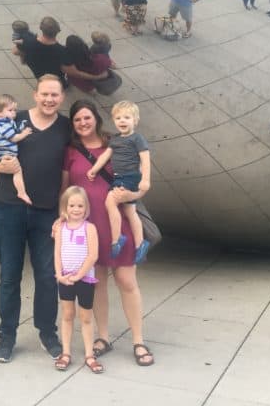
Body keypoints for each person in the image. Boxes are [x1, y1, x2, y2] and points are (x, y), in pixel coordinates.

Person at [62, 99, 154, 367]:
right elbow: (66, 189)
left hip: (118, 224)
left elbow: (140, 178)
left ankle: (138, 340)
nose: (83, 123)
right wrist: (61, 219)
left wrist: (135, 193)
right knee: (97, 283)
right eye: (77, 119)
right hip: (88, 228)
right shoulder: (70, 151)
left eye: (87, 117)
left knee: (126, 281)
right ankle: (103, 337)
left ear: (96, 119)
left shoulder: (117, 141)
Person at [0, 74, 69, 363]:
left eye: (55, 95)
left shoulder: (65, 126)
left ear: (62, 98)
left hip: (47, 212)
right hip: (10, 208)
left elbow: (69, 169)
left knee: (47, 276)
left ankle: (47, 331)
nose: (49, 99)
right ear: (35, 94)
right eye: (44, 94)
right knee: (9, 276)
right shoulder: (14, 117)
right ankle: (6, 335)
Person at [86, 101, 151, 264]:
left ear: (135, 120)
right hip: (119, 177)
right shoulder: (115, 139)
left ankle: (117, 239)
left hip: (129, 177)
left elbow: (145, 159)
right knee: (130, 211)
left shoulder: (137, 138)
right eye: (118, 118)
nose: (122, 121)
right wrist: (94, 169)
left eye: (127, 117)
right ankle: (140, 243)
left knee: (110, 202)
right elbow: (105, 156)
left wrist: (145, 179)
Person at [53, 186, 100, 373]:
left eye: (80, 205)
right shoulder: (60, 228)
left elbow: (93, 255)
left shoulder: (89, 228)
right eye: (72, 205)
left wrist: (79, 275)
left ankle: (89, 354)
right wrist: (59, 274)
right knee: (67, 315)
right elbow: (57, 253)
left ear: (86, 207)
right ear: (65, 207)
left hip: (85, 279)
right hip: (65, 279)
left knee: (86, 317)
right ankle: (66, 352)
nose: (76, 209)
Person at [0, 94, 34, 205]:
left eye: (15, 109)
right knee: (17, 170)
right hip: (1, 152)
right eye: (10, 110)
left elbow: (14, 129)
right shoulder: (3, 123)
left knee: (2, 161)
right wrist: (25, 133)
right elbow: (14, 138)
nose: (14, 112)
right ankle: (21, 192)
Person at [13, 17, 67, 82]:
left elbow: (15, 51)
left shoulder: (28, 42)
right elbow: (65, 69)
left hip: (39, 75)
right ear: (58, 30)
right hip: (57, 79)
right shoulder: (62, 50)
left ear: (40, 28)